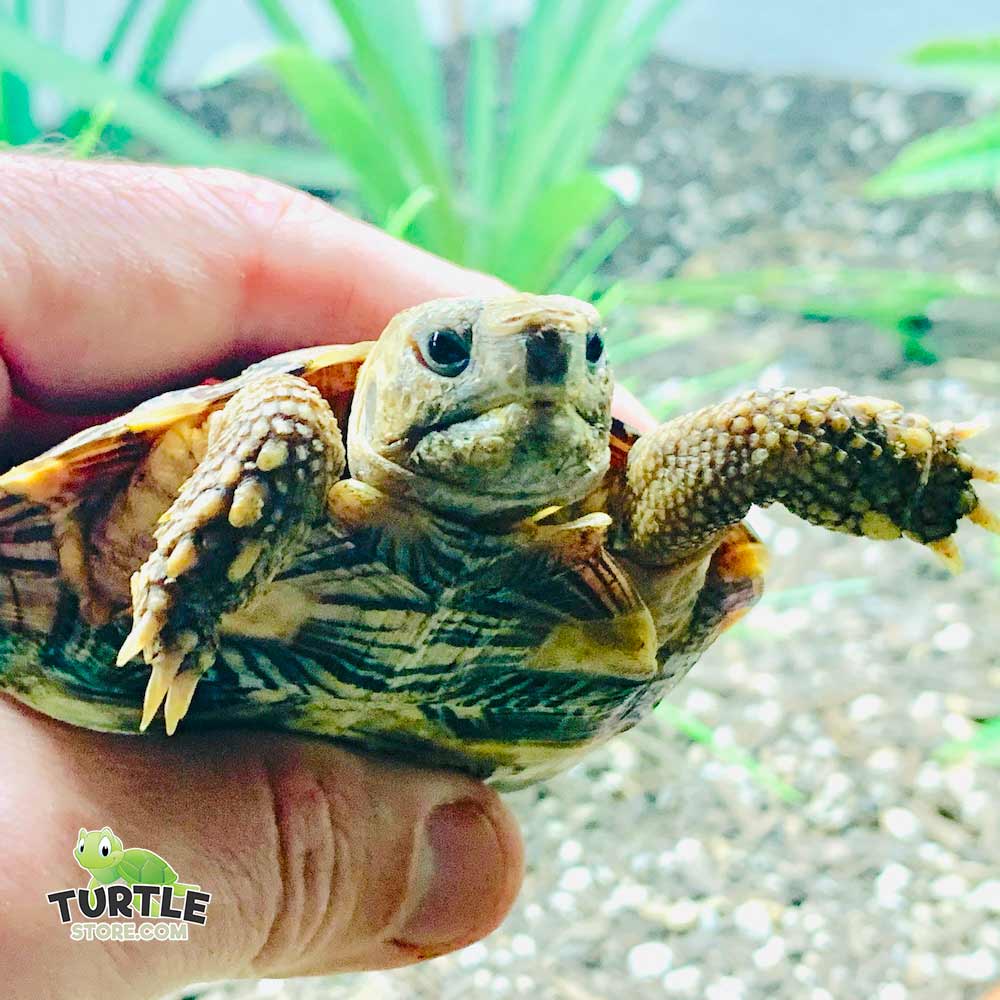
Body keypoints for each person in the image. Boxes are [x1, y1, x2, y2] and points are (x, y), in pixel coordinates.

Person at [0, 155, 653, 1000]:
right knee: (285, 414)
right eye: (450, 353)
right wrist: (192, 590)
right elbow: (274, 413)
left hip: (459, 705)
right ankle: (183, 598)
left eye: (584, 351)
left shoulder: (644, 498)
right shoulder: (292, 424)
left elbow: (717, 471)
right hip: (120, 655)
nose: (548, 360)